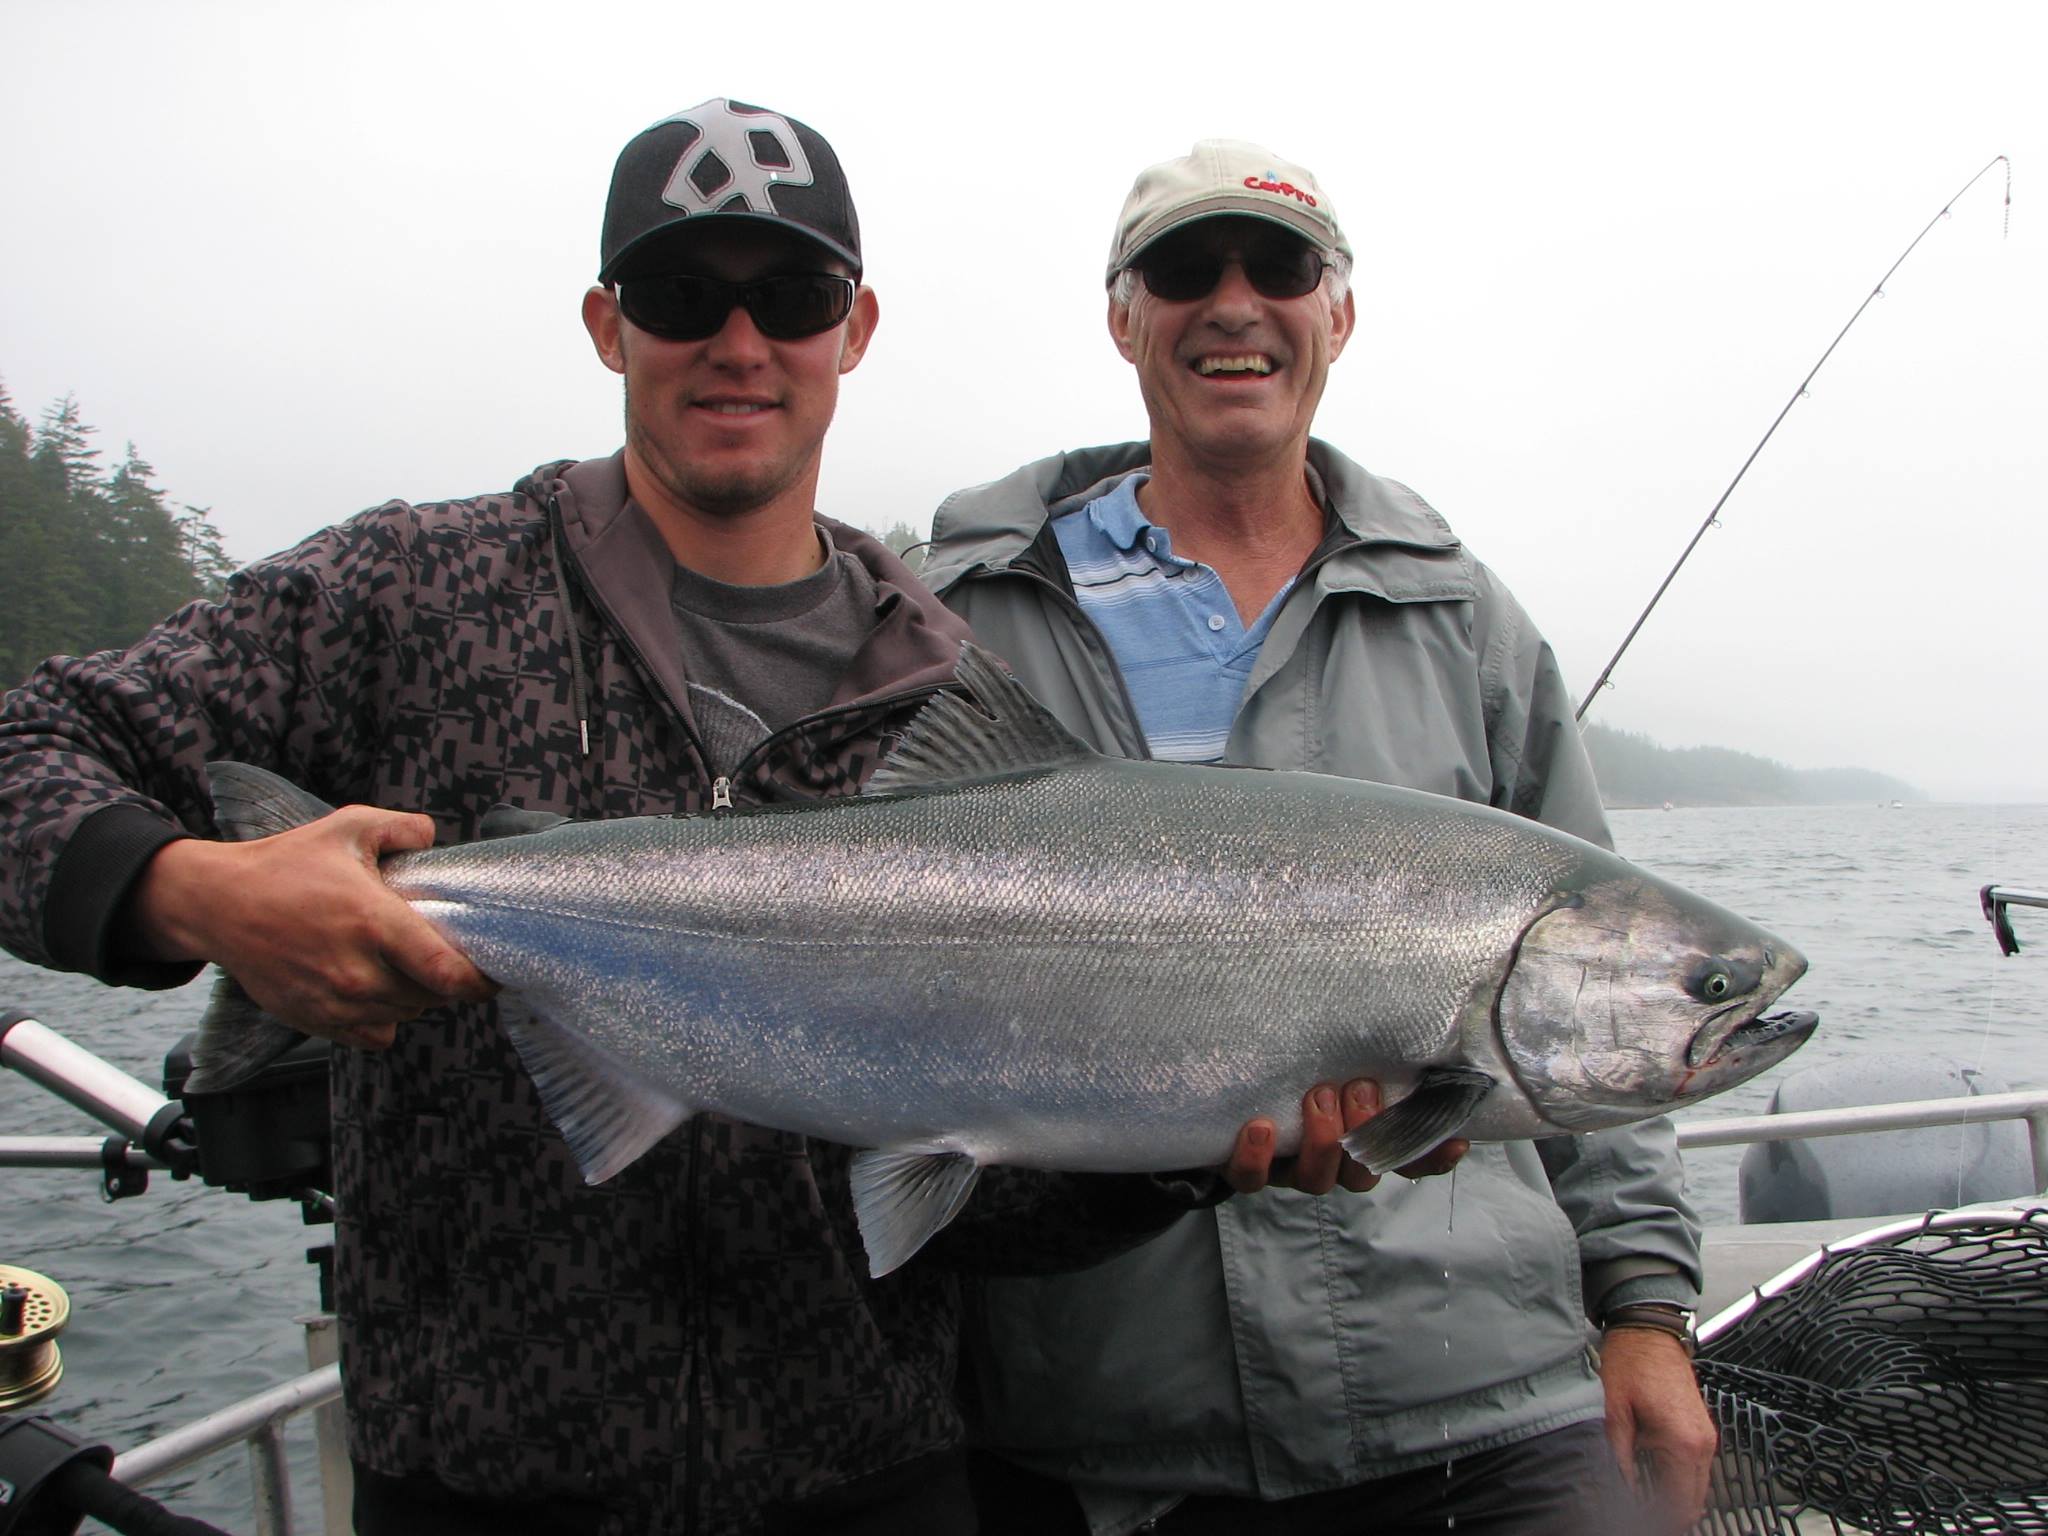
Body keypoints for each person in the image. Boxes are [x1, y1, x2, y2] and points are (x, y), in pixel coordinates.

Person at [0, 103, 1362, 1536]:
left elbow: (999, 1186)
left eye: (789, 296)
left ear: (857, 326)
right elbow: (28, 750)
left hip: (868, 1478)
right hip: (478, 1483)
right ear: (607, 323)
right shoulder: (408, 594)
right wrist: (192, 894)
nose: (738, 340)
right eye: (678, 292)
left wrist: (1195, 1142)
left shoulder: (953, 695)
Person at [923, 139, 1719, 1535]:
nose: (1235, 303)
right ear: (1123, 316)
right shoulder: (959, 614)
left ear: (1337, 313)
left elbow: (1599, 1011)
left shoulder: (1466, 625)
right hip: (1102, 1423)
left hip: (1483, 1395)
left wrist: (1645, 1311)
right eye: (1184, 269)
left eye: (1281, 266)